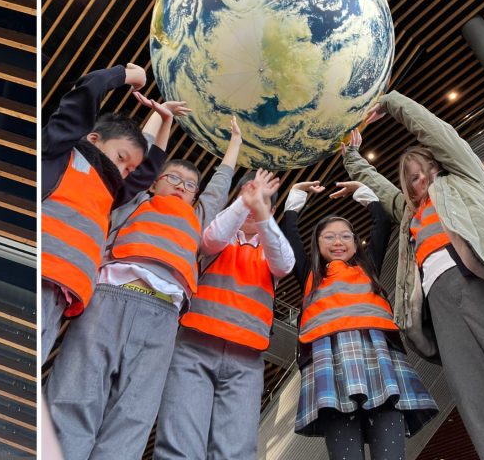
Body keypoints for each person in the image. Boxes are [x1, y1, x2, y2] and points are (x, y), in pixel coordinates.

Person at [344, 91, 484, 459]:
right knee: (481, 406)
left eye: (422, 166)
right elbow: (378, 187)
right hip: (442, 308)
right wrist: (351, 157)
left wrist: (389, 101)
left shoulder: (465, 178)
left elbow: (438, 133)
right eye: (408, 176)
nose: (417, 177)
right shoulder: (409, 213)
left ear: (439, 164)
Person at [45, 113, 241, 460]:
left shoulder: (198, 218)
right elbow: (140, 157)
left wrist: (236, 144)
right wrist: (160, 116)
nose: (182, 186)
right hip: (109, 300)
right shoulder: (133, 202)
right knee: (76, 395)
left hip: (163, 316)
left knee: (135, 412)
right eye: (173, 178)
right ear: (153, 181)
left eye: (190, 184)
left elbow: (220, 186)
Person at [280, 177, 437, 460]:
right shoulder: (309, 275)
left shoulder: (368, 267)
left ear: (355, 243)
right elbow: (289, 234)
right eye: (329, 236)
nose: (338, 241)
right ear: (317, 243)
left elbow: (382, 223)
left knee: (390, 449)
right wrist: (294, 199)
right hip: (329, 361)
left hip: (378, 356)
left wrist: (363, 193)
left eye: (345, 236)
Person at [154, 168, 295, 460]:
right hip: (195, 348)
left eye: (263, 201)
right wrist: (246, 201)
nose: (253, 207)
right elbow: (211, 239)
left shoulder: (270, 250)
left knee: (236, 449)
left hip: (247, 359)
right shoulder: (219, 238)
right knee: (179, 439)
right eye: (248, 196)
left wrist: (260, 209)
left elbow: (286, 264)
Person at [40, 63, 161, 365]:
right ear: (93, 139)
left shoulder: (110, 194)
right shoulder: (61, 152)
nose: (123, 172)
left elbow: (147, 171)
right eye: (121, 158)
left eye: (128, 169)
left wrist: (164, 117)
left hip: (63, 293)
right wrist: (127, 75)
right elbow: (87, 92)